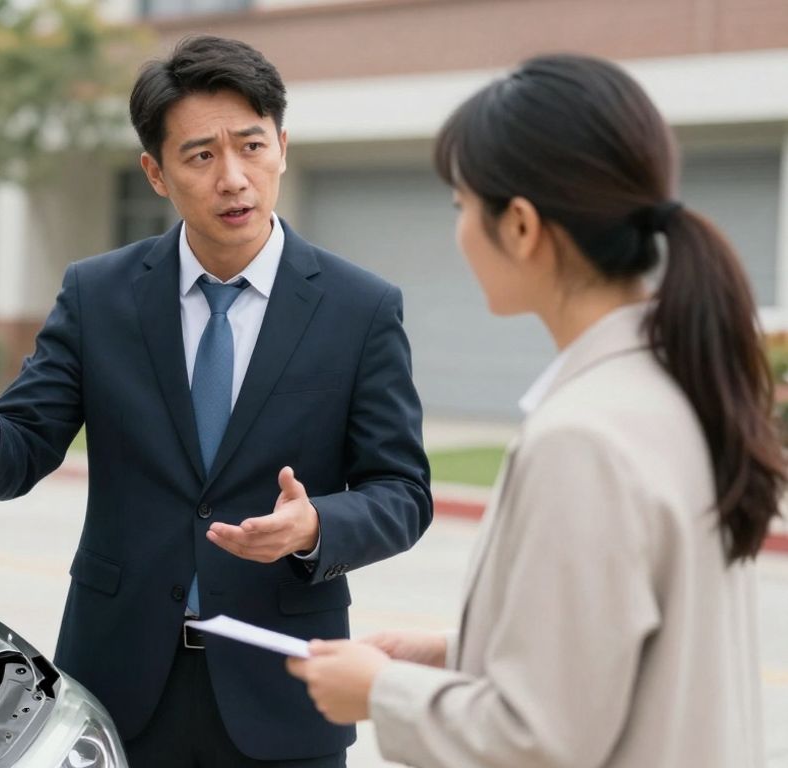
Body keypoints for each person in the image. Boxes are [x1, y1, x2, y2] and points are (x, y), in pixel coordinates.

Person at [0, 35, 432, 768]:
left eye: (251, 147)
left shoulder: (361, 308)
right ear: (155, 171)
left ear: (282, 145)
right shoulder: (99, 294)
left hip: (281, 691)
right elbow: (24, 448)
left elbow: (403, 492)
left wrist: (316, 526)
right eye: (201, 156)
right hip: (118, 686)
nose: (233, 178)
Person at [287, 53, 785, 768]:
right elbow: (622, 658)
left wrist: (382, 692)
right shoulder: (681, 390)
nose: (458, 232)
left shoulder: (583, 438)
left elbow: (540, 740)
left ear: (519, 226)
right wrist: (452, 654)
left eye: (462, 208)